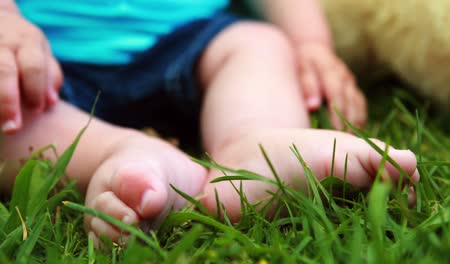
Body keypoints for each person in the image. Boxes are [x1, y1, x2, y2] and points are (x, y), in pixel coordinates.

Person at [0, 0, 419, 244]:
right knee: (7, 110)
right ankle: (122, 157)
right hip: (43, 62)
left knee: (259, 45)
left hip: (188, 40)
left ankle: (255, 142)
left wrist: (311, 45)